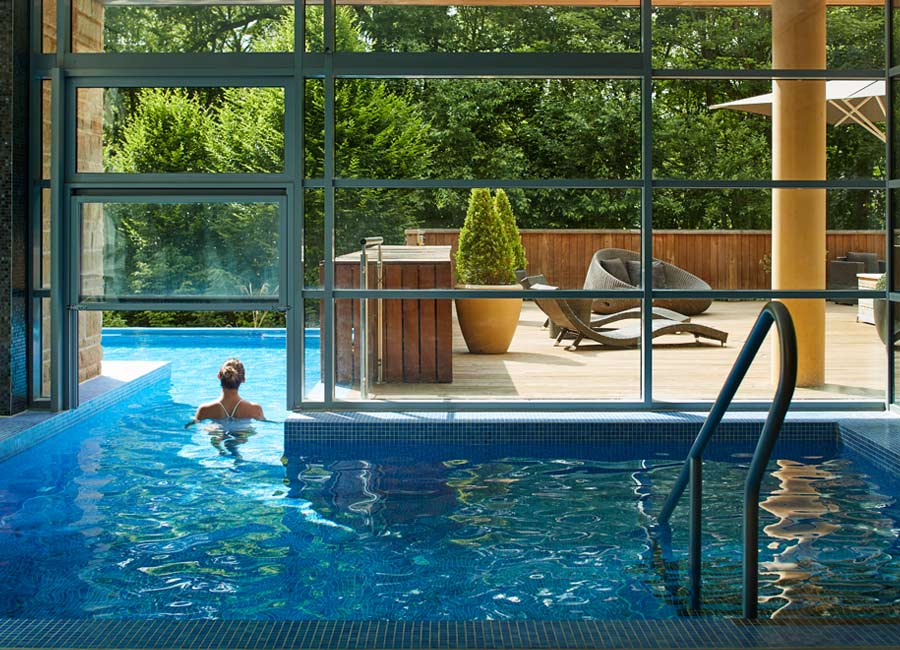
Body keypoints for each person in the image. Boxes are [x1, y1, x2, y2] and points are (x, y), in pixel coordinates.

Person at [189, 358, 265, 427]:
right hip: (241, 430)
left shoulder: (205, 409)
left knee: (211, 428)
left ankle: (217, 437)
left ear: (219, 376)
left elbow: (190, 426)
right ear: (243, 379)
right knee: (246, 430)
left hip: (217, 428)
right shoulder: (255, 409)